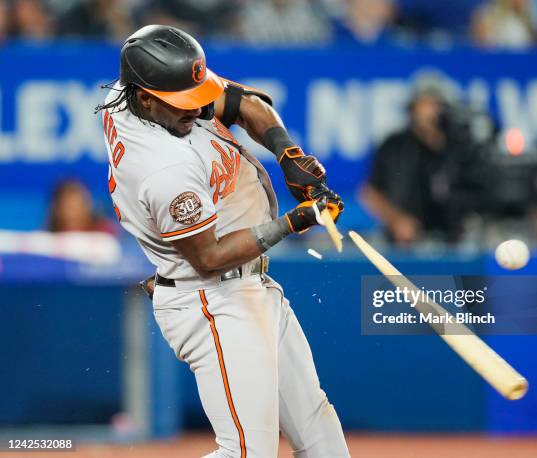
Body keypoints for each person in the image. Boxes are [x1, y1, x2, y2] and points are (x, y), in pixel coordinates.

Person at [96, 25, 349, 457]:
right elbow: (209, 256)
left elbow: (244, 102)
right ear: (144, 99)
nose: (196, 110)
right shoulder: (162, 169)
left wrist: (286, 152)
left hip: (246, 287)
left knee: (317, 428)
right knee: (248, 452)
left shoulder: (134, 93)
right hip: (212, 298)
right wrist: (295, 221)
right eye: (183, 104)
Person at [359, 82, 481, 245]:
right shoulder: (395, 146)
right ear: (413, 108)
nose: (432, 111)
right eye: (426, 104)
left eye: (438, 105)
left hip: (453, 241)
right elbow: (369, 193)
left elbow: (477, 190)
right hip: (404, 244)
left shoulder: (459, 147)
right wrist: (396, 220)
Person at [47, 180, 117, 234]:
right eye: (69, 208)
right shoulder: (48, 240)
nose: (73, 214)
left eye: (77, 207)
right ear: (58, 210)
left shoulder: (104, 234)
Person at [470, 0, 537, 48]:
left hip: (523, 64)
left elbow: (535, 47)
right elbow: (479, 47)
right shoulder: (486, 15)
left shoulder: (529, 20)